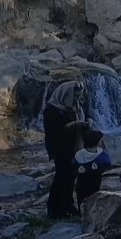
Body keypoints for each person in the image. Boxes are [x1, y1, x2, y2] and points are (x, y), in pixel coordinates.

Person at [43, 81, 91, 218]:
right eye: (74, 97)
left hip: (73, 147)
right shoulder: (51, 110)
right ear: (65, 95)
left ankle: (68, 204)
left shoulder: (75, 107)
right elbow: (53, 132)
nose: (77, 100)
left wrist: (86, 125)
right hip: (59, 148)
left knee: (71, 177)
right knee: (61, 177)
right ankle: (55, 209)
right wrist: (72, 126)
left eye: (78, 97)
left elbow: (82, 121)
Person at [74, 129, 112, 210]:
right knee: (93, 199)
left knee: (81, 198)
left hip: (80, 183)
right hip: (95, 182)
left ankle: (80, 212)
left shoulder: (79, 154)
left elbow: (73, 164)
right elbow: (108, 162)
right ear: (98, 142)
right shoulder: (101, 156)